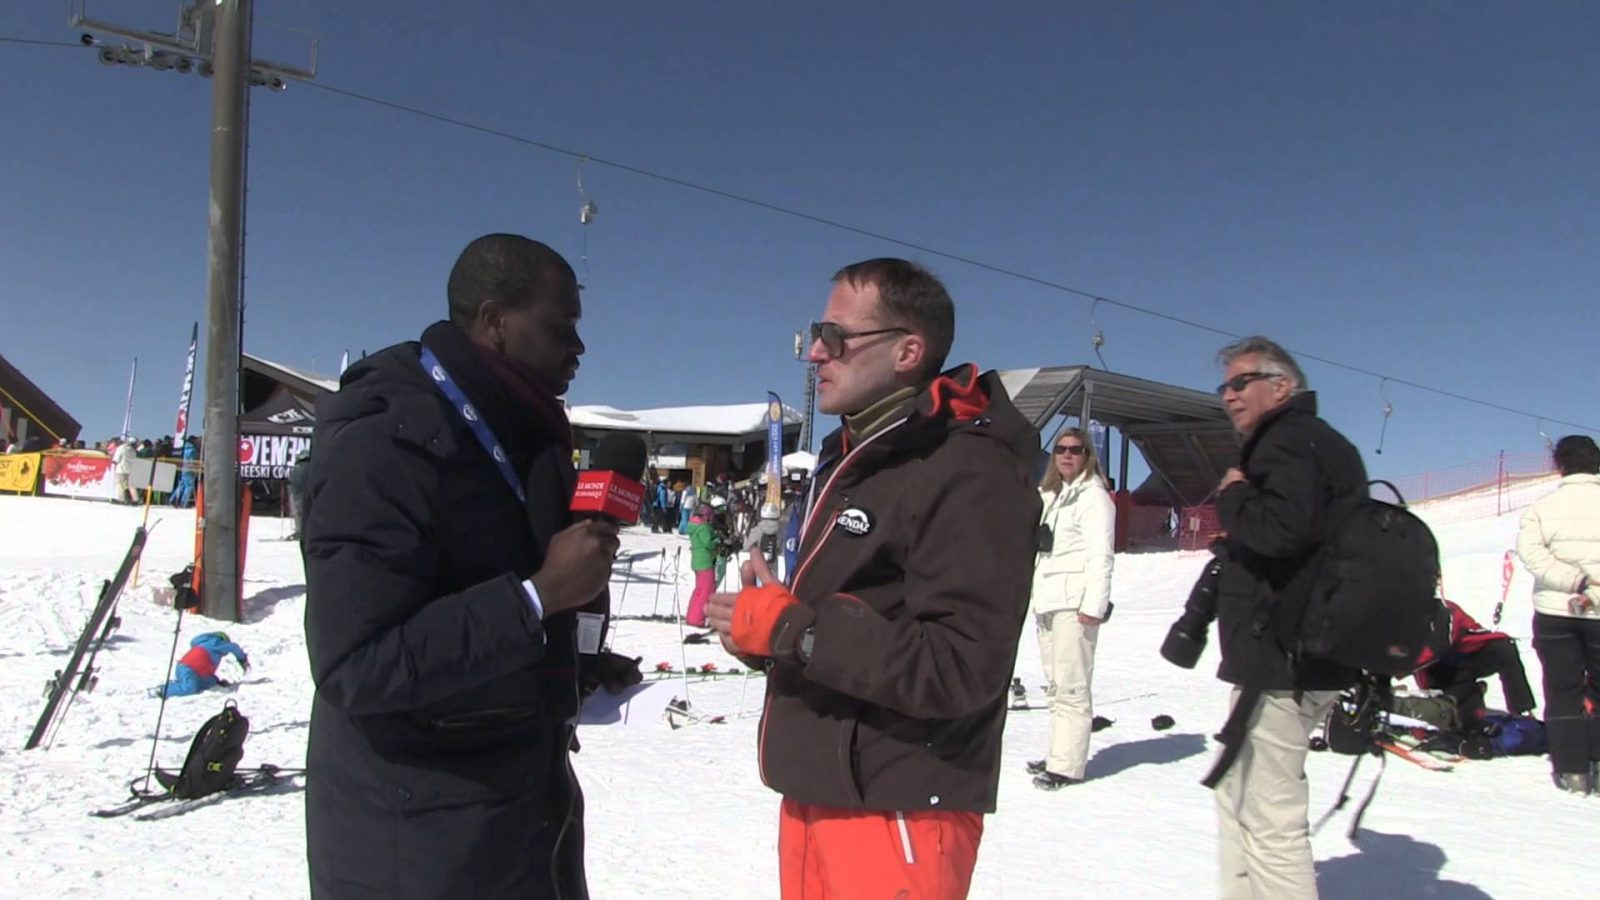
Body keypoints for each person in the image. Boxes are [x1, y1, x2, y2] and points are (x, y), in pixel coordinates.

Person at [301, 234, 636, 899]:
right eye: (561, 325)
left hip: (517, 821)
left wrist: (578, 660)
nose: (579, 347)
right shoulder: (383, 439)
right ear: (494, 322)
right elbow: (357, 666)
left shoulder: (525, 431)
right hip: (419, 845)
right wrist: (537, 598)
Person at [707, 258, 1040, 900]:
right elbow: (856, 615)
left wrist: (793, 629)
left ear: (908, 351)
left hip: (900, 807)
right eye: (814, 337)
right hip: (821, 789)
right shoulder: (857, 456)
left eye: (835, 337)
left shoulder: (969, 469)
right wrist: (768, 633)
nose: (816, 355)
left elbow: (960, 666)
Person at [1206, 336, 1366, 900]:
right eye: (1224, 386)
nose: (1228, 395)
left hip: (1280, 656)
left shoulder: (1286, 442)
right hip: (1311, 647)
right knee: (1240, 794)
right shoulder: (1329, 445)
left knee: (1269, 816)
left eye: (1240, 382)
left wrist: (1232, 496)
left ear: (1282, 386)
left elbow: (1282, 531)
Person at [1025, 427, 1115, 790]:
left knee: (1072, 685)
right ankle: (1058, 753)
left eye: (1075, 450)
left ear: (1087, 455)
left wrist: (1094, 605)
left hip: (1074, 604)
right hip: (1047, 600)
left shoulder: (1093, 498)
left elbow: (1101, 555)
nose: (1066, 456)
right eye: (1060, 449)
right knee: (1056, 684)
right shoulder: (1053, 496)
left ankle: (1067, 765)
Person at [1514, 434, 1600, 795]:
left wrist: (1574, 581)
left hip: (1554, 610)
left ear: (1559, 465)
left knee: (1562, 687)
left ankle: (1571, 771)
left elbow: (1530, 553)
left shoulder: (1541, 508)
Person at [1411, 598, 1537, 729]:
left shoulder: (1443, 609)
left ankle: (1521, 711)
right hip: (1441, 674)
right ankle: (1471, 693)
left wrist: (1400, 668)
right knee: (1467, 723)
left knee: (1503, 648)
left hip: (1471, 658)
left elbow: (1439, 644)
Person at [153, 631, 249, 698]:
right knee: (190, 688)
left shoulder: (204, 644)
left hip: (192, 671)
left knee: (210, 682)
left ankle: (177, 684)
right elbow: (232, 647)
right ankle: (161, 691)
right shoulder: (215, 643)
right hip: (188, 668)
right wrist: (242, 658)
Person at [684, 505, 716, 627]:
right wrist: (717, 541)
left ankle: (692, 616)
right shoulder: (703, 528)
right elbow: (709, 543)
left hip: (697, 560)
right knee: (706, 591)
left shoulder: (694, 525)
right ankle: (697, 619)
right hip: (705, 561)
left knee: (699, 590)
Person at [111, 438, 137, 505]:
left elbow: (116, 459)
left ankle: (121, 498)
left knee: (120, 484)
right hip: (131, 469)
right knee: (131, 485)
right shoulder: (133, 450)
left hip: (121, 469)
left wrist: (114, 462)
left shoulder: (121, 448)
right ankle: (135, 499)